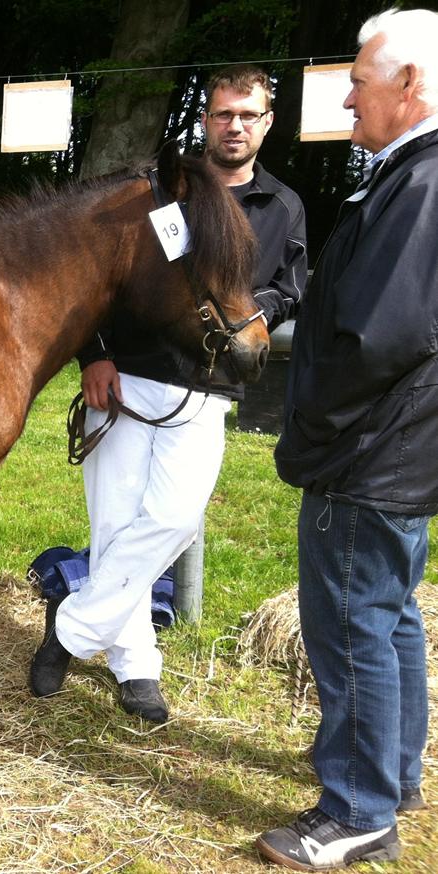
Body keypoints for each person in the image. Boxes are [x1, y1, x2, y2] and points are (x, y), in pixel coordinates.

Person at [29, 65, 307, 723]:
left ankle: (69, 629)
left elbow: (288, 288)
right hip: (124, 378)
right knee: (116, 525)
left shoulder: (283, 207)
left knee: (174, 521)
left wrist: (250, 314)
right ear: (205, 120)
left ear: (266, 123)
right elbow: (98, 280)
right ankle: (137, 667)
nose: (234, 126)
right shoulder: (158, 196)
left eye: (248, 115)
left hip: (205, 389)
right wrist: (92, 356)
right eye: (223, 114)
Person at [257, 9, 438, 870]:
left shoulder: (424, 184)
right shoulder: (411, 176)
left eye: (360, 80)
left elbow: (378, 335)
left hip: (369, 450)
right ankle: (392, 774)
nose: (345, 94)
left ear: (412, 86)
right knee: (391, 614)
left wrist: (312, 432)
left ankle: (358, 808)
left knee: (351, 623)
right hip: (399, 447)